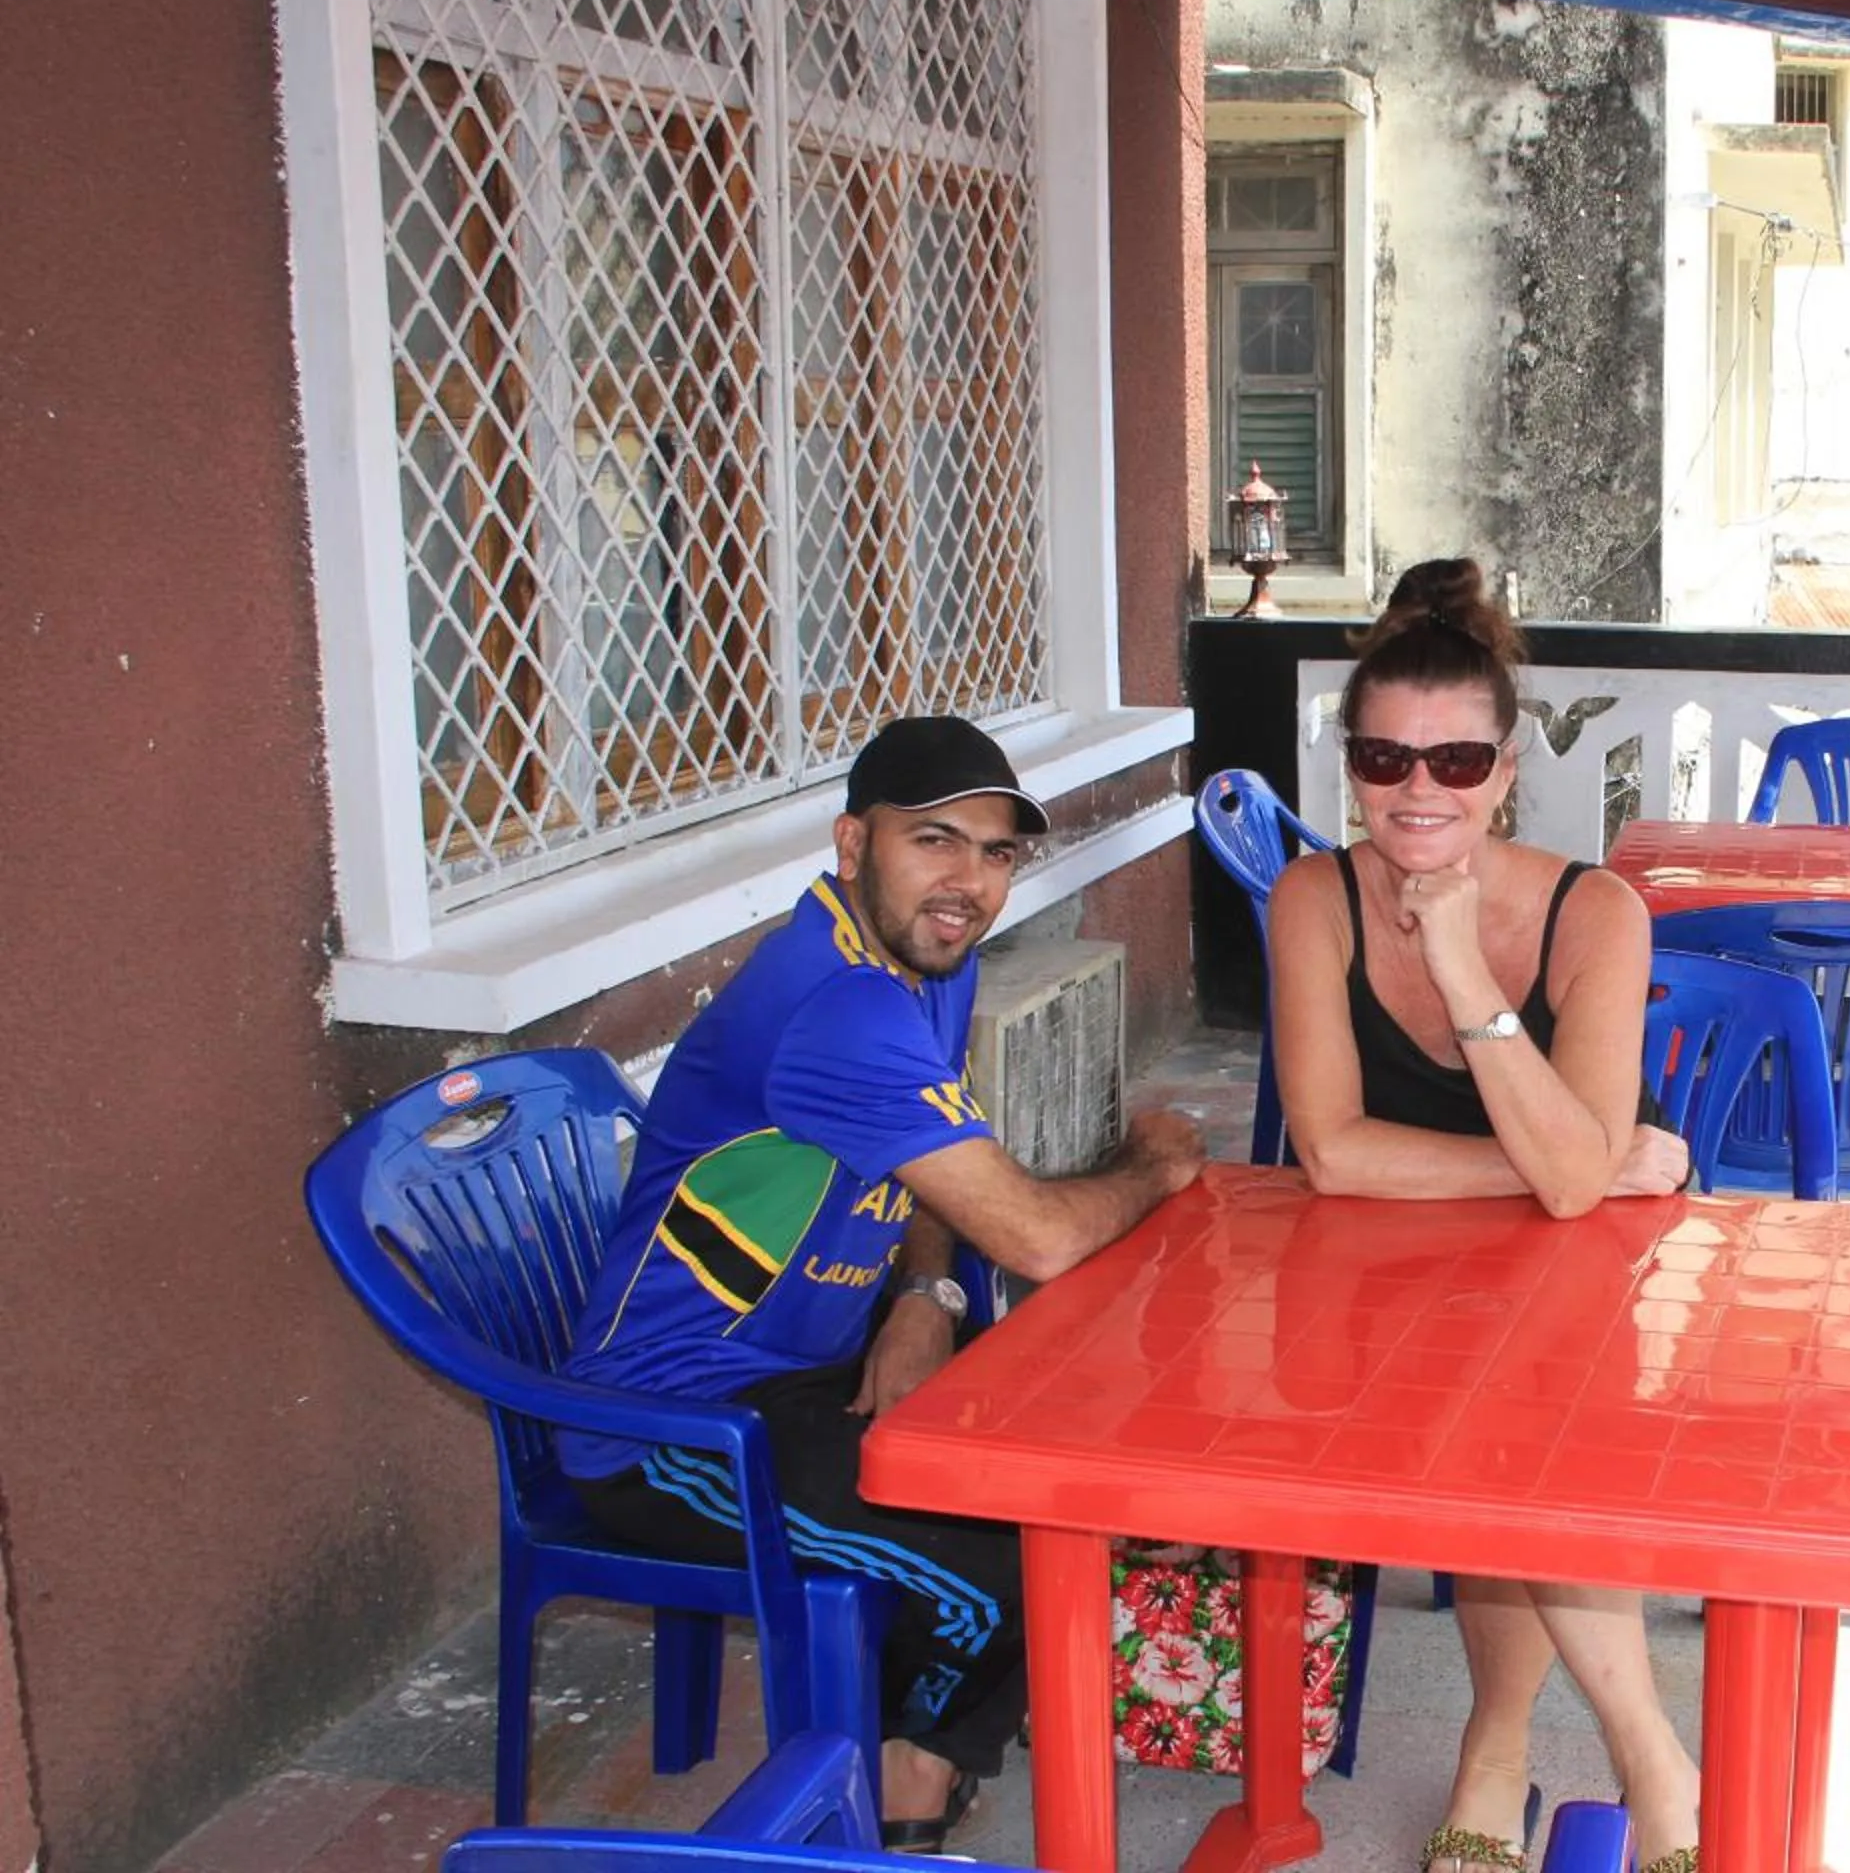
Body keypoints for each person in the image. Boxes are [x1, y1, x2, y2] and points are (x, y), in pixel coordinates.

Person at [557, 716, 1205, 1852]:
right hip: (680, 1422)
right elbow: (1037, 1233)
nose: (969, 881)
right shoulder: (839, 1007)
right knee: (1019, 1565)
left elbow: (932, 1186)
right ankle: (905, 1797)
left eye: (997, 852)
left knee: (1087, 1472)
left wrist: (925, 1300)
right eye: (936, 840)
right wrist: (1158, 1161)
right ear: (853, 841)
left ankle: (919, 1743)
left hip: (823, 1361)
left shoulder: (917, 958)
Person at [1268, 560, 1700, 1873]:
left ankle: (1540, 1747)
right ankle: (1640, 1762)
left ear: (1506, 770)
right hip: (1386, 1268)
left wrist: (1460, 964)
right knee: (1482, 1420)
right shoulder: (1310, 900)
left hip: (1578, 1275)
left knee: (1530, 1421)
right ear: (1351, 768)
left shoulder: (1596, 912)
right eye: (1389, 760)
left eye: (1456, 760)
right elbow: (1334, 1156)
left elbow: (1577, 1196)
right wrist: (1577, 1159)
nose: (1421, 792)